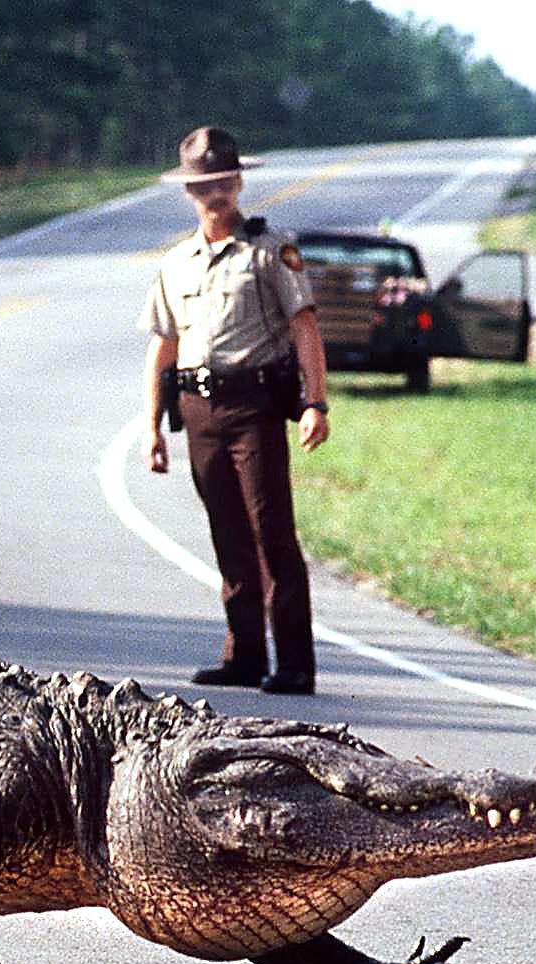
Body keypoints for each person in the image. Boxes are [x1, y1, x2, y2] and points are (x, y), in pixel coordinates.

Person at [139, 126, 329, 695]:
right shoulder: (177, 263)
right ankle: (243, 653)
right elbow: (163, 345)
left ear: (239, 182)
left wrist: (316, 401)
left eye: (223, 181)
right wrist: (152, 423)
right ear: (189, 192)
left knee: (271, 532)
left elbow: (305, 328)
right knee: (227, 534)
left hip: (255, 406)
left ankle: (293, 663)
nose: (214, 194)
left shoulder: (270, 252)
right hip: (198, 408)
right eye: (203, 185)